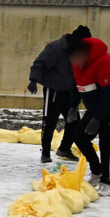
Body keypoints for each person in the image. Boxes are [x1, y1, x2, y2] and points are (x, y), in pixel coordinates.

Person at [68, 37, 110, 196]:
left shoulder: (105, 63)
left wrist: (97, 119)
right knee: (79, 137)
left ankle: (106, 182)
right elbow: (77, 85)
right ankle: (97, 171)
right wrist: (73, 106)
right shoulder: (77, 63)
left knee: (106, 143)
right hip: (96, 107)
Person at [28, 25, 91, 165]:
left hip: (70, 92)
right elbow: (40, 62)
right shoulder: (57, 47)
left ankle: (64, 149)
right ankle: (45, 153)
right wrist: (33, 80)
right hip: (54, 90)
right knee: (49, 122)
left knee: (74, 122)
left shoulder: (80, 51)